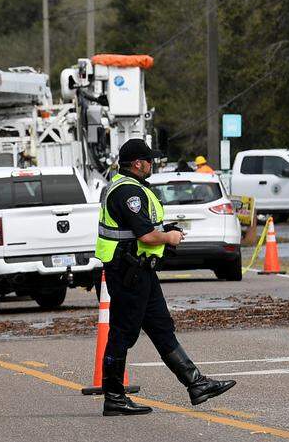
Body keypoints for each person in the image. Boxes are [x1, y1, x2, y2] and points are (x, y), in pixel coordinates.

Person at [95, 138, 236, 416]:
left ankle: (196, 384)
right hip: (128, 273)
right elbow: (146, 235)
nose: (153, 165)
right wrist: (169, 236)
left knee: (161, 328)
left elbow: (145, 228)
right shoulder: (127, 193)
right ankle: (113, 396)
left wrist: (166, 230)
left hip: (141, 271)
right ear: (137, 163)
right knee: (122, 334)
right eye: (149, 161)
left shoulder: (135, 188)